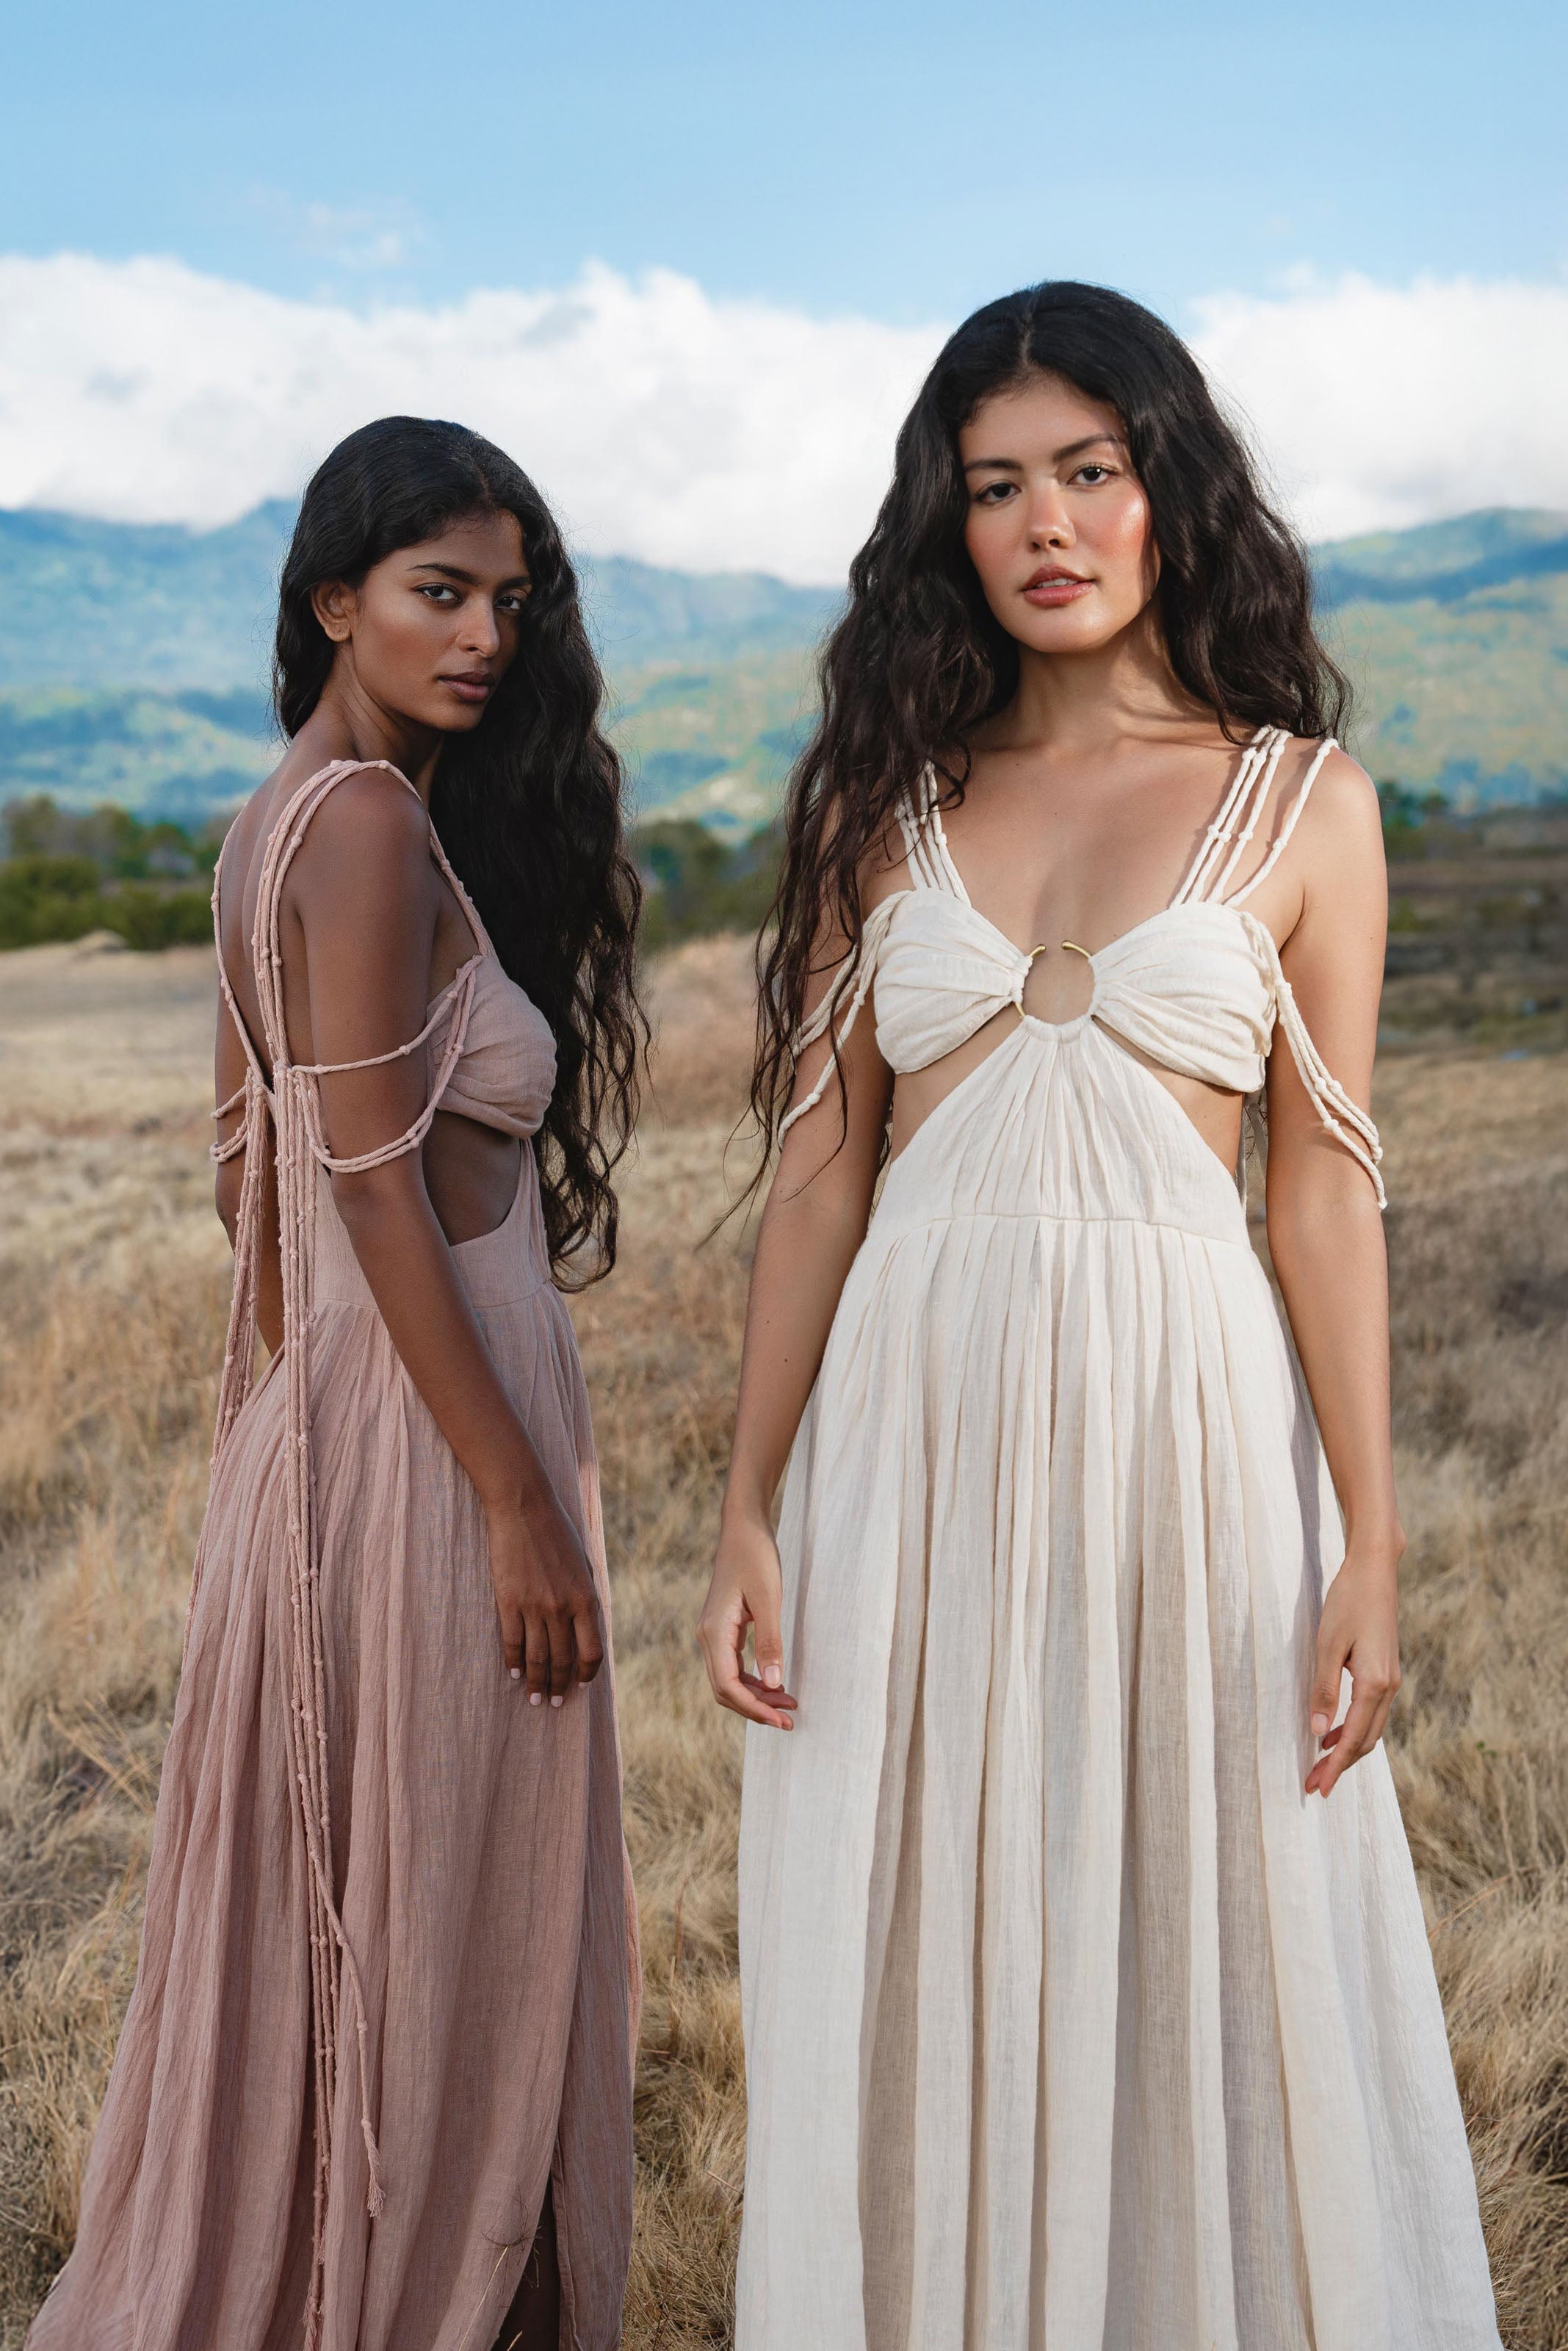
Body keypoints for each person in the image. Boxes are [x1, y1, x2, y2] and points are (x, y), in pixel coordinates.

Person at [700, 284, 1502, 2349]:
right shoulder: (884, 797)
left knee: (1206, 1913)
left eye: (1090, 468)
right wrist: (747, 1503)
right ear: (944, 526)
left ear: (1168, 490)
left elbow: (1325, 1184)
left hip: (1195, 1439)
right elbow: (818, 1178)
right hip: (916, 1425)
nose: (1048, 520)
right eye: (996, 485)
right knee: (919, 1912)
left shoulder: (1302, 800)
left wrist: (1376, 1541)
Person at [29, 417, 643, 2351]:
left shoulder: (270, 825)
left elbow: (250, 1178)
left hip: (349, 1432)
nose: (482, 637)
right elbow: (366, 1176)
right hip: (435, 1443)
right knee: (473, 1918)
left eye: (506, 602)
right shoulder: (365, 827)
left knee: (394, 1902)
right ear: (334, 602)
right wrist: (500, 1490)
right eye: (437, 594)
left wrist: (327, 1449)